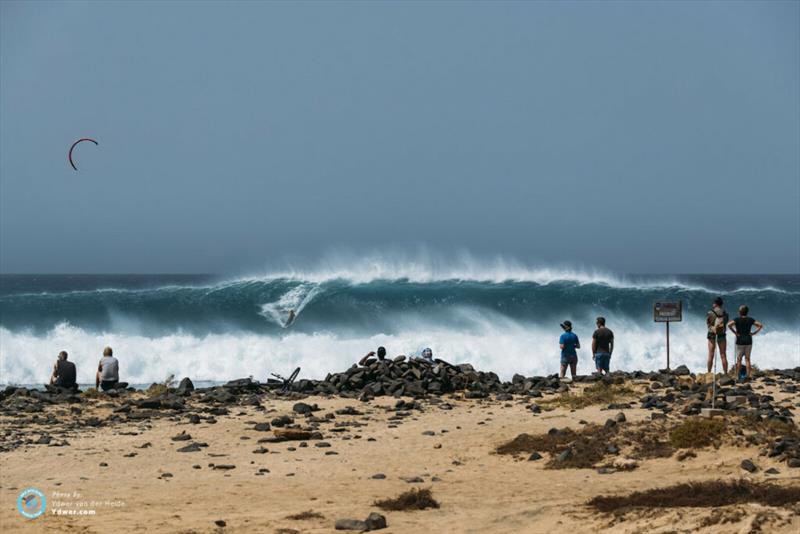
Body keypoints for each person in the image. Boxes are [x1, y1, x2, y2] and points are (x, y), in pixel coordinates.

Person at [728, 305, 763, 381]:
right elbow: (760, 325)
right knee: (747, 359)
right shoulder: (750, 320)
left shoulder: (737, 319)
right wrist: (754, 333)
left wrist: (735, 332)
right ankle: (748, 375)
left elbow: (729, 325)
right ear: (747, 312)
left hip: (740, 341)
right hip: (748, 340)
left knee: (739, 359)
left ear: (740, 312)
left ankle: (737, 376)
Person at [706, 297, 729, 374]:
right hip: (721, 335)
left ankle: (709, 372)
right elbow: (725, 323)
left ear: (715, 304)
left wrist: (713, 327)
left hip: (712, 335)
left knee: (711, 354)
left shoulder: (710, 312)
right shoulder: (725, 313)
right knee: (723, 354)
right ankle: (725, 373)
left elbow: (708, 324)